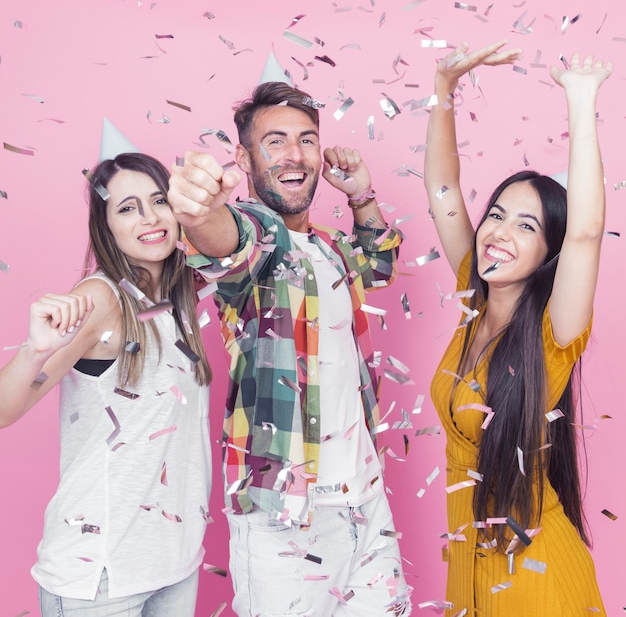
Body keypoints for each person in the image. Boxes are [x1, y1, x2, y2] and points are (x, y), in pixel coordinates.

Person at [167, 80, 412, 616]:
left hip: (365, 500)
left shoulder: (327, 246)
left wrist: (361, 196)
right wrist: (195, 211)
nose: (295, 154)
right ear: (243, 157)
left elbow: (380, 264)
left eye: (306, 139)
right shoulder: (259, 242)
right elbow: (226, 238)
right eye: (274, 141)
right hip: (285, 512)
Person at [425, 40, 610, 615]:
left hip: (536, 578)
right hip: (472, 566)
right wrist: (443, 90)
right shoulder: (472, 300)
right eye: (497, 214)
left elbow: (585, 233)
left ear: (547, 254)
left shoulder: (556, 333)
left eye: (526, 226)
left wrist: (580, 101)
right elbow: (442, 191)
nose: (499, 231)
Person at [0, 152, 213, 616]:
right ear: (106, 227)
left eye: (158, 201)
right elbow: (3, 410)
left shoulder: (181, 300)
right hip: (99, 573)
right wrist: (35, 350)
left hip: (173, 565)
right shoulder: (99, 299)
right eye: (127, 207)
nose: (150, 218)